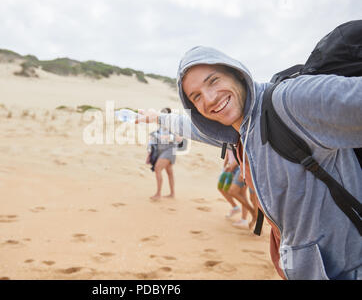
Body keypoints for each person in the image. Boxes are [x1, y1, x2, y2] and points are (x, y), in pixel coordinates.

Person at [136, 46, 362, 280]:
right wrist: (157, 118)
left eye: (213, 81)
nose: (210, 99)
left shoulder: (290, 101)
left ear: (236, 73)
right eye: (197, 97)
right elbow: (191, 127)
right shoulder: (236, 131)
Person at [145, 107, 183, 201]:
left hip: (170, 150)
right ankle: (172, 193)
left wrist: (165, 137)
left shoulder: (174, 126)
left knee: (158, 168)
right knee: (169, 171)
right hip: (162, 150)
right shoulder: (160, 126)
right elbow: (152, 142)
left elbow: (179, 139)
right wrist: (148, 155)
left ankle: (158, 194)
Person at [217, 149, 256, 229]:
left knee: (251, 198)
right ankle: (250, 214)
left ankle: (252, 220)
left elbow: (242, 152)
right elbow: (229, 152)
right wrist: (225, 166)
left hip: (242, 167)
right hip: (238, 166)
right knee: (225, 189)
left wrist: (236, 167)